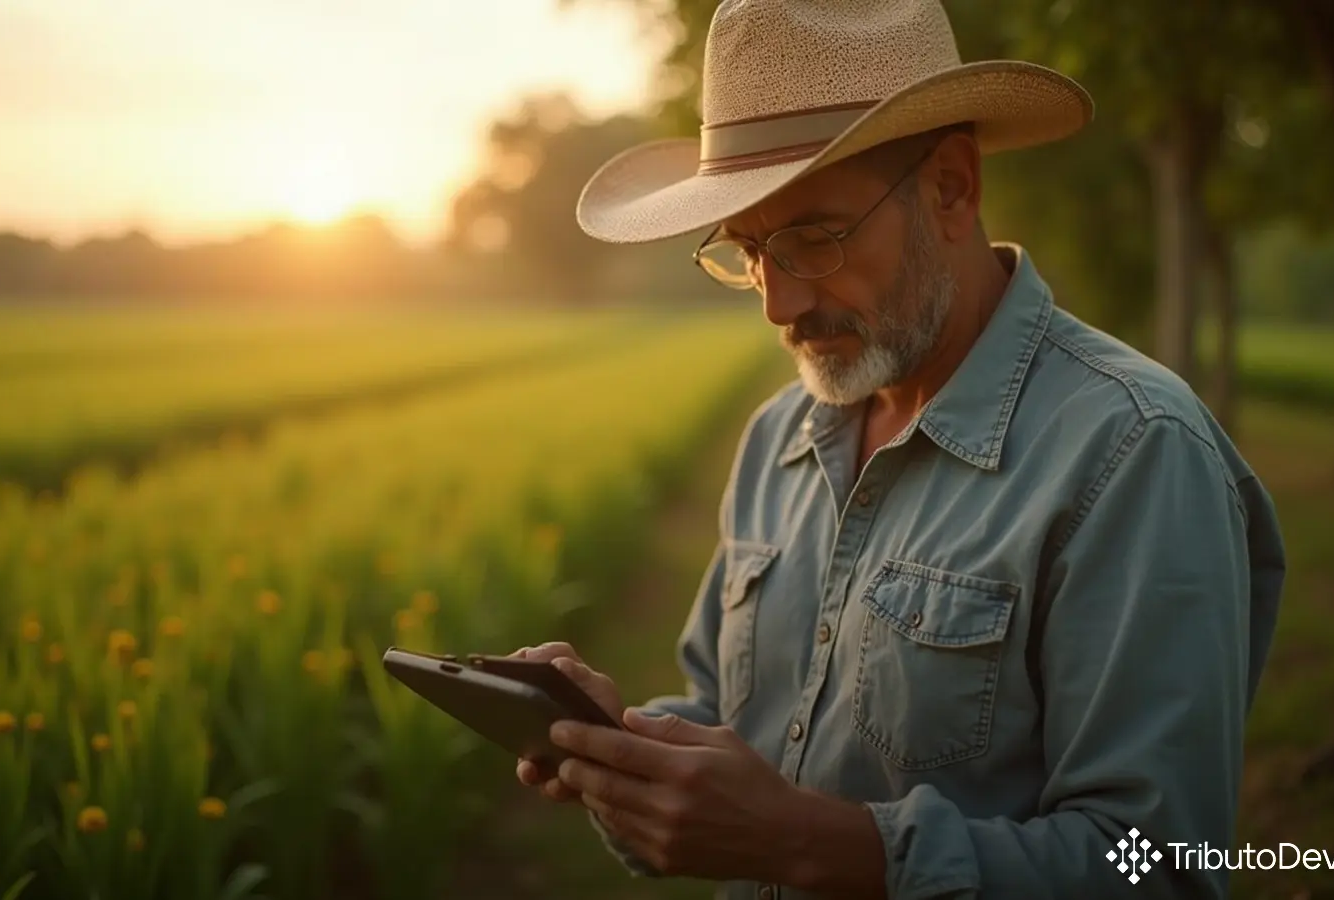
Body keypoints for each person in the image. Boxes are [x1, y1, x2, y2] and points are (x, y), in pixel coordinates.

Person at [510, 1, 1286, 898]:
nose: (778, 305)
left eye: (813, 238)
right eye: (750, 252)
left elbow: (1159, 866)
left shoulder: (1135, 452)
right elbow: (740, 722)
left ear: (951, 187)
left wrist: (812, 846)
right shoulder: (779, 439)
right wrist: (619, 748)